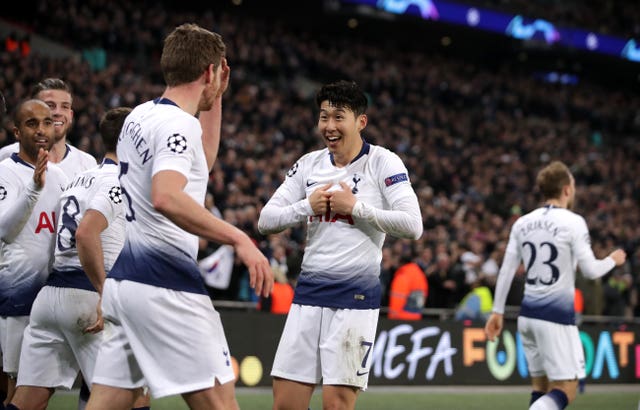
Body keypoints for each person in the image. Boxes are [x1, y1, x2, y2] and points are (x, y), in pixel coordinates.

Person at [86, 23, 273, 410]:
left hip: (125, 287)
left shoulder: (139, 116)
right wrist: (239, 238)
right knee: (222, 404)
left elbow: (198, 163)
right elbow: (167, 197)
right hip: (165, 286)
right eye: (218, 74)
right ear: (209, 72)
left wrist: (216, 97)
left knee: (105, 405)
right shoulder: (179, 126)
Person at [258, 80, 423, 410]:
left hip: (355, 300)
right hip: (307, 296)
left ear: (361, 121)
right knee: (285, 405)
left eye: (338, 117)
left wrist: (357, 208)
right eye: (323, 117)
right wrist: (306, 206)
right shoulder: (308, 165)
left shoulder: (383, 163)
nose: (329, 126)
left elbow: (413, 225)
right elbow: (266, 220)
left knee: (336, 406)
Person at [7, 107, 150, 410]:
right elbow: (86, 234)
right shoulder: (119, 182)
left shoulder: (78, 179)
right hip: (89, 296)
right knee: (133, 395)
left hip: (50, 299)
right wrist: (104, 292)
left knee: (27, 399)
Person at [484, 160, 627, 410]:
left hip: (527, 316)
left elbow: (506, 270)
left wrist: (497, 311)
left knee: (540, 387)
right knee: (565, 390)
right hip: (556, 317)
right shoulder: (573, 222)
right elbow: (592, 270)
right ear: (567, 190)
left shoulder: (522, 223)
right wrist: (612, 261)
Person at [0, 100, 68, 407]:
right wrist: (33, 189)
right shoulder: (6, 172)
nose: (41, 130)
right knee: (15, 386)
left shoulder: (61, 177)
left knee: (41, 389)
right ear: (16, 131)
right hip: (17, 296)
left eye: (46, 122)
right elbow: (5, 230)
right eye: (31, 124)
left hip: (53, 296)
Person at [0, 78, 97, 176]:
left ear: (71, 115)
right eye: (49, 106)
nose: (58, 112)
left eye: (65, 107)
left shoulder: (87, 163)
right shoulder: (6, 156)